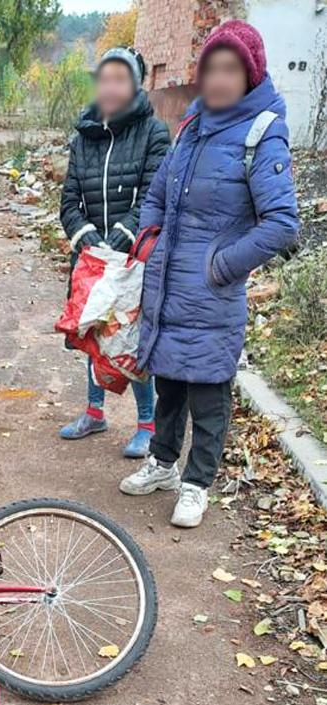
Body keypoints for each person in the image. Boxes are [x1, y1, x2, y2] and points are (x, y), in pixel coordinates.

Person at [120, 20, 299, 527]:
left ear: (250, 74)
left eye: (230, 70)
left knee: (208, 394)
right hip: (169, 285)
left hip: (211, 293)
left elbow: (282, 224)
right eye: (210, 69)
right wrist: (149, 238)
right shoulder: (193, 125)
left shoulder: (263, 131)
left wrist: (220, 266)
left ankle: (197, 484)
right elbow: (158, 191)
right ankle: (162, 464)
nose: (217, 80)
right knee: (170, 382)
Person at [59, 46, 170, 458]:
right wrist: (86, 239)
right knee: (90, 333)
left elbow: (155, 195)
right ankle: (94, 412)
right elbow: (69, 200)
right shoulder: (83, 137)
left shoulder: (153, 134)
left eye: (121, 78)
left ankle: (146, 424)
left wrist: (121, 240)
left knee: (130, 338)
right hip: (90, 260)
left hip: (130, 259)